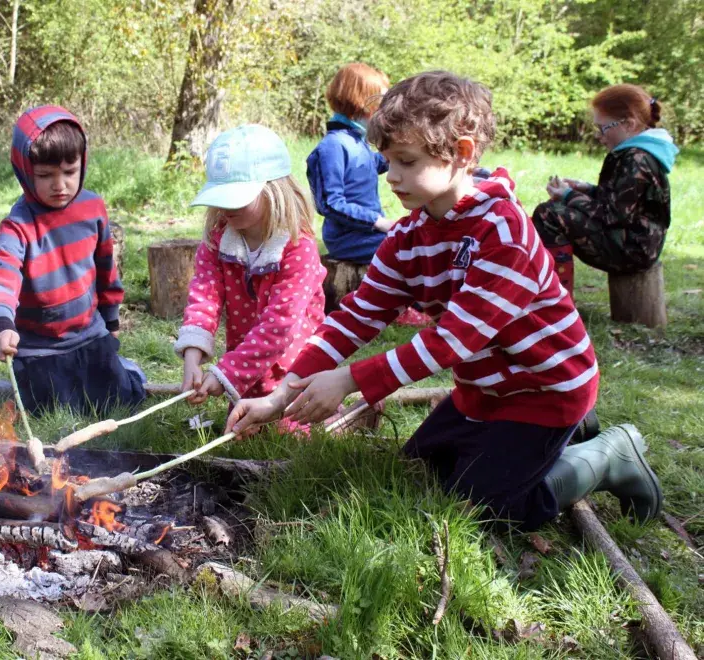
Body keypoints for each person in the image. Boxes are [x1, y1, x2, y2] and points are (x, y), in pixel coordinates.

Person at [226, 72, 662, 530]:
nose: (391, 177)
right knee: (420, 472)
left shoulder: (502, 231)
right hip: (484, 390)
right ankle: (555, 439)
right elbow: (357, 316)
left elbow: (454, 340)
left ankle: (609, 453)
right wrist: (280, 395)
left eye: (407, 161)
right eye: (388, 161)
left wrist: (350, 379)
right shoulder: (408, 235)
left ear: (463, 153)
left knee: (487, 508)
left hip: (544, 388)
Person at [0, 105, 146, 415]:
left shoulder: (92, 208)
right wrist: (1, 326)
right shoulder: (19, 225)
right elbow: (1, 277)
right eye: (45, 175)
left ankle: (125, 369)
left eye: (69, 172)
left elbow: (107, 271)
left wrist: (111, 321)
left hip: (89, 335)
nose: (60, 185)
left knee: (121, 398)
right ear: (25, 172)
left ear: (82, 164)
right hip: (39, 347)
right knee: (51, 408)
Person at [174, 124, 327, 411]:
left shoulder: (297, 248)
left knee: (293, 434)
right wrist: (192, 356)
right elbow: (204, 298)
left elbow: (280, 325)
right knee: (242, 432)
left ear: (273, 190)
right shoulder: (217, 240)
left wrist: (226, 374)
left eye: (236, 197)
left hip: (293, 372)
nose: (225, 208)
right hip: (245, 367)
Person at [307, 63, 432, 327]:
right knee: (403, 248)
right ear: (361, 102)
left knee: (421, 238)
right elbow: (330, 203)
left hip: (370, 232)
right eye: (380, 103)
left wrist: (407, 152)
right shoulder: (333, 146)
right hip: (348, 237)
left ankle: (431, 303)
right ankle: (399, 308)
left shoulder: (357, 143)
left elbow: (371, 166)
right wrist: (376, 221)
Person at [534, 84, 679, 296]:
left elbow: (612, 215)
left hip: (634, 250)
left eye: (602, 128)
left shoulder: (636, 159)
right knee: (551, 210)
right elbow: (623, 202)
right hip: (634, 241)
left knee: (549, 215)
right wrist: (586, 190)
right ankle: (554, 295)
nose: (600, 136)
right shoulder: (637, 153)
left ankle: (556, 300)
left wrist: (568, 195)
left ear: (628, 124)